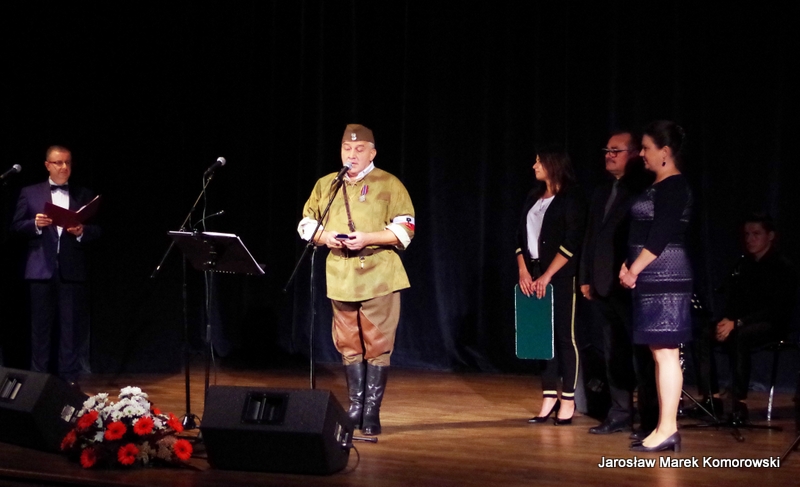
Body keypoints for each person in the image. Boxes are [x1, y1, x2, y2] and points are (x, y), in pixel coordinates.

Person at [297, 124, 415, 436]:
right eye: (347, 149)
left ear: (372, 153)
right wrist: (325, 237)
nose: (352, 154)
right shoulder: (327, 184)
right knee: (348, 343)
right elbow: (306, 223)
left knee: (377, 343)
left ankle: (371, 411)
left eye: (359, 149)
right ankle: (355, 406)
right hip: (341, 275)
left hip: (379, 275)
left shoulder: (389, 183)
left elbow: (406, 228)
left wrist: (368, 237)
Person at [620, 120, 692, 452]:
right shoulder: (659, 185)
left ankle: (668, 428)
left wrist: (634, 268)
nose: (641, 154)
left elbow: (660, 235)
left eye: (647, 148)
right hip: (651, 277)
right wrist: (629, 263)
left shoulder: (675, 186)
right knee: (659, 352)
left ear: (665, 152)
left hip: (665, 277)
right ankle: (663, 427)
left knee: (666, 353)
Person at [580, 131, 658, 437]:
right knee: (614, 353)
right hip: (603, 285)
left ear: (635, 154)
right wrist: (585, 278)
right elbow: (591, 236)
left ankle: (650, 420)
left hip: (631, 284)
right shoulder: (601, 191)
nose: (608, 155)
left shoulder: (643, 189)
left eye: (616, 150)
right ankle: (620, 413)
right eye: (607, 150)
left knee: (642, 356)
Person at [693, 213, 797, 422]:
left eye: (756, 234)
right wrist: (725, 321)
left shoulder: (782, 266)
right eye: (747, 234)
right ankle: (711, 399)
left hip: (771, 324)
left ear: (770, 236)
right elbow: (734, 301)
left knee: (740, 336)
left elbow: (776, 308)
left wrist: (738, 323)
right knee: (703, 333)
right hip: (739, 323)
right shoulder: (743, 265)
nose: (750, 239)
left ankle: (739, 403)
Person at [11, 146, 100, 384]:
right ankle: (37, 382)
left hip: (71, 270)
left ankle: (68, 382)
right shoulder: (30, 193)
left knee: (70, 329)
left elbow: (98, 229)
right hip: (40, 269)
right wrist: (35, 224)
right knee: (40, 330)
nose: (64, 167)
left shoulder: (83, 194)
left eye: (67, 163)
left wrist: (82, 232)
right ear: (47, 165)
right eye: (58, 163)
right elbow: (16, 225)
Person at [517, 148, 586, 425]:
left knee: (565, 337)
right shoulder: (533, 196)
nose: (535, 166)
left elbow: (572, 240)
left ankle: (568, 399)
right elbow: (519, 237)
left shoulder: (571, 197)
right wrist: (524, 271)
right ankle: (548, 397)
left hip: (560, 275)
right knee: (542, 338)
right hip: (533, 272)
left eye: (539, 161)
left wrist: (547, 275)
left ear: (554, 164)